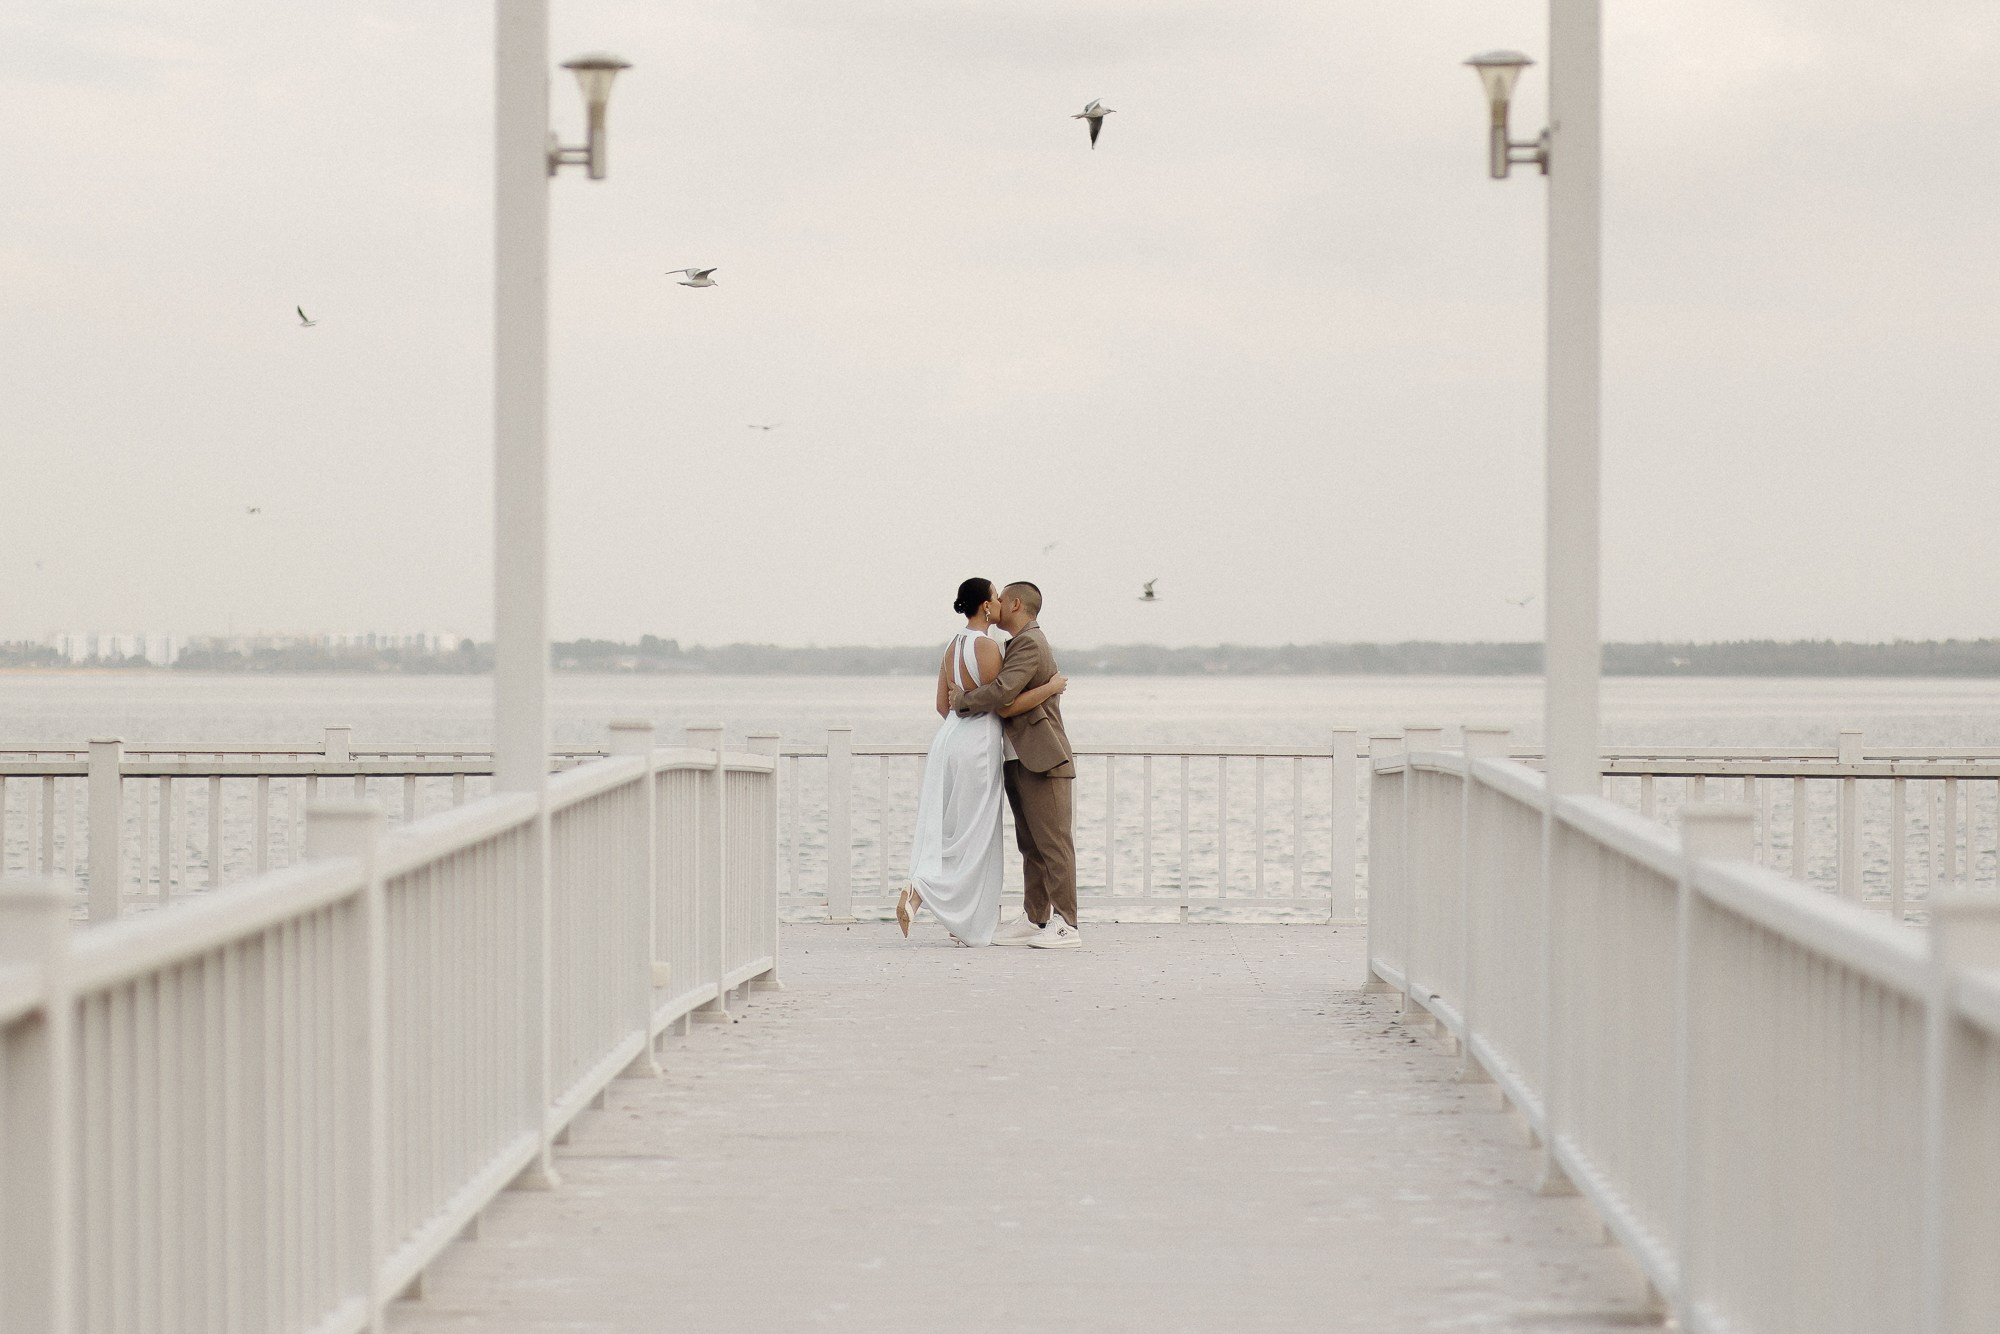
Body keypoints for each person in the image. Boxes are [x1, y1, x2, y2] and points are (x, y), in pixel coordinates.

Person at [898, 578, 1068, 946]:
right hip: (979, 742)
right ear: (986, 606)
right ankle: (957, 914)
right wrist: (1050, 688)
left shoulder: (950, 646)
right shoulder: (988, 646)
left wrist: (963, 712)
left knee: (954, 826)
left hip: (950, 740)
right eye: (995, 596)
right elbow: (1003, 702)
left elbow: (944, 706)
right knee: (976, 837)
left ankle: (925, 893)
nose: (999, 602)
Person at [951, 581, 1081, 949]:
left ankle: (1067, 924)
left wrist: (963, 700)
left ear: (1016, 603)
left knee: (1054, 843)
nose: (994, 606)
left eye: (1001, 600)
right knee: (1031, 845)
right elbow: (1009, 702)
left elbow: (1003, 694)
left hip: (1044, 757)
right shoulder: (1016, 644)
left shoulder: (1029, 642)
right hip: (1017, 755)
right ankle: (1036, 917)